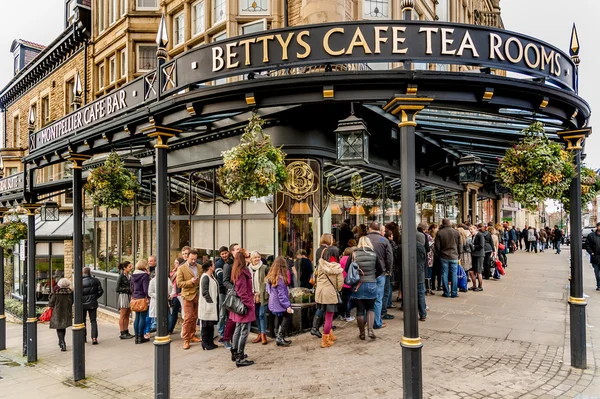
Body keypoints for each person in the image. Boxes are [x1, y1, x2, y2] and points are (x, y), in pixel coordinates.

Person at [230, 250, 256, 367]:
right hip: (244, 305)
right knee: (244, 331)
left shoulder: (237, 271)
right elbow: (242, 292)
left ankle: (235, 352)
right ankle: (239, 356)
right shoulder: (241, 272)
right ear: (243, 259)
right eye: (247, 257)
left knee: (238, 329)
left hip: (240, 305)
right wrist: (249, 304)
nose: (249, 258)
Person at [351, 236, 381, 339]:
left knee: (360, 310)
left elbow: (347, 268)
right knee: (370, 308)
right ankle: (371, 331)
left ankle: (362, 333)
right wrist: (373, 276)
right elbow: (380, 269)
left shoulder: (354, 254)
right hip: (372, 284)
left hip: (358, 285)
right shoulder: (374, 254)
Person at [314, 247, 344, 347]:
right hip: (330, 294)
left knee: (324, 314)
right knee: (329, 317)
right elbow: (340, 284)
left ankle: (330, 335)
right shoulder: (337, 267)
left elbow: (316, 277)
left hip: (320, 293)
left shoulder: (321, 264)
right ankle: (325, 340)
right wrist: (337, 290)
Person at [366, 221, 394, 329]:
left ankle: (365, 320)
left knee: (366, 298)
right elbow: (390, 258)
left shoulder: (364, 240)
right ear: (379, 230)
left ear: (370, 229)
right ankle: (377, 322)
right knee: (378, 299)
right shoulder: (384, 240)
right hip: (380, 273)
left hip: (366, 273)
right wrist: (388, 270)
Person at [310, 234, 336, 339]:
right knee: (326, 306)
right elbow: (330, 267)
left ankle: (317, 327)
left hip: (320, 280)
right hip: (326, 280)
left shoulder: (318, 250)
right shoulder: (327, 251)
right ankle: (317, 327)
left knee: (321, 305)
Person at [176, 249, 201, 350]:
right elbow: (179, 283)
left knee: (195, 316)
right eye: (192, 259)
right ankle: (186, 339)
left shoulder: (199, 267)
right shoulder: (181, 268)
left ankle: (192, 335)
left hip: (197, 294)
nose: (194, 261)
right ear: (188, 257)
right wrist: (190, 282)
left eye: (195, 259)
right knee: (188, 317)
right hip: (187, 295)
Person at [265, 256, 294, 347]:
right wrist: (288, 306)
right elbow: (282, 296)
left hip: (273, 302)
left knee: (278, 317)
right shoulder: (280, 279)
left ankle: (278, 336)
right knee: (288, 316)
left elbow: (268, 290)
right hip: (279, 302)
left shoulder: (271, 276)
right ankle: (280, 337)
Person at [434, 218, 462, 298]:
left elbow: (437, 246)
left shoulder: (440, 233)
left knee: (444, 274)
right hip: (454, 256)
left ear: (443, 224)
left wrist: (440, 253)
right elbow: (460, 245)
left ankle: (446, 292)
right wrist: (459, 254)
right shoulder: (456, 232)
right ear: (450, 223)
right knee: (454, 274)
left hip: (444, 256)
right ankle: (454, 292)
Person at [222, 243, 241, 349]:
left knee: (237, 318)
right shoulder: (227, 265)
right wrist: (235, 290)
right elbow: (225, 281)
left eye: (239, 249)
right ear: (232, 252)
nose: (239, 250)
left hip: (241, 293)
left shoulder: (240, 262)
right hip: (233, 295)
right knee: (232, 319)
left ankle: (235, 339)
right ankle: (226, 339)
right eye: (237, 249)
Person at [148, 266, 175, 338]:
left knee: (168, 317)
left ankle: (167, 332)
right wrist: (159, 296)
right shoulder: (153, 281)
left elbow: (172, 288)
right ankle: (160, 333)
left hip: (166, 302)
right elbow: (150, 293)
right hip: (157, 303)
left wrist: (171, 295)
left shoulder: (167, 279)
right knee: (158, 319)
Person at [249, 251, 269, 345]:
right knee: (256, 315)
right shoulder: (248, 269)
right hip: (252, 295)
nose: (257, 259)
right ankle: (259, 334)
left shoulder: (264, 268)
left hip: (262, 295)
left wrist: (260, 293)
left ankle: (264, 335)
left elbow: (269, 281)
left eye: (258, 257)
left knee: (262, 314)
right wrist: (253, 294)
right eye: (255, 257)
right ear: (251, 259)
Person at [48, 278, 73, 352]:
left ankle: (62, 343)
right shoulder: (71, 293)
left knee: (59, 328)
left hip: (57, 312)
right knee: (63, 326)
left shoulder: (56, 293)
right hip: (66, 311)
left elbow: (51, 303)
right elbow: (72, 302)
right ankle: (61, 341)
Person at [199, 260, 219, 350]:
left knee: (210, 326)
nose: (214, 266)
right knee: (206, 326)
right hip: (207, 306)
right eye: (213, 265)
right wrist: (210, 302)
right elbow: (204, 292)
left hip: (211, 305)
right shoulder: (205, 277)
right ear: (210, 267)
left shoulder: (211, 277)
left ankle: (210, 342)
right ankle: (205, 342)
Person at [131, 259, 151, 344]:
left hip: (135, 298)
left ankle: (136, 337)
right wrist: (148, 298)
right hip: (142, 298)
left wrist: (134, 296)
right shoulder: (145, 276)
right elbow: (146, 289)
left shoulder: (133, 275)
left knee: (137, 318)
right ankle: (141, 337)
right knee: (142, 318)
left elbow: (131, 288)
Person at [82, 267, 104, 345]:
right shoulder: (95, 280)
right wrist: (95, 297)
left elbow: (77, 293)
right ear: (89, 272)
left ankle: (83, 337)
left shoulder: (79, 281)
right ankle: (94, 338)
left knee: (83, 321)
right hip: (92, 303)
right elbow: (101, 291)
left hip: (82, 304)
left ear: (83, 272)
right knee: (93, 320)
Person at [116, 261, 134, 339]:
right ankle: (122, 332)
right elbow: (117, 288)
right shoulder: (121, 276)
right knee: (123, 315)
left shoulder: (129, 276)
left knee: (127, 314)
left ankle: (126, 331)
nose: (131, 268)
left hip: (129, 296)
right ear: (125, 268)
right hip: (123, 296)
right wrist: (128, 289)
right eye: (129, 266)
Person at [168, 257, 185, 334]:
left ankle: (170, 329)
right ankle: (170, 329)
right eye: (175, 262)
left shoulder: (180, 271)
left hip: (178, 293)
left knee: (178, 312)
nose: (175, 264)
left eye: (177, 263)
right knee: (174, 312)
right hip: (174, 294)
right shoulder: (173, 271)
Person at [339, 246, 355, 322]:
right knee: (348, 300)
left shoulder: (341, 259)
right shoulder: (350, 260)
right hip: (349, 282)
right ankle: (348, 315)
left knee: (343, 299)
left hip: (342, 282)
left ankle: (342, 315)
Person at [416, 227, 429, 321]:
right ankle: (422, 313)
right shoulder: (420, 247)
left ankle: (409, 313)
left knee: (408, 293)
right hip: (419, 272)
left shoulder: (404, 245)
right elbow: (424, 259)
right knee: (420, 292)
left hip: (407, 273)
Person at [469, 225, 485, 291]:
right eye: (469, 229)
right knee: (471, 271)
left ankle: (480, 286)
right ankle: (474, 285)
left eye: (471, 229)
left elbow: (481, 245)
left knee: (478, 271)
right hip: (474, 255)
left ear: (475, 229)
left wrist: (473, 246)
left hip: (479, 255)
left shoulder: (480, 235)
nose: (470, 231)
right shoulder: (473, 236)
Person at [585, 222, 600, 291]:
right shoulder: (591, 235)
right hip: (595, 257)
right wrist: (591, 253)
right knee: (597, 273)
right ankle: (598, 285)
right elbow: (587, 245)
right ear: (597, 227)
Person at [457, 227, 472, 292]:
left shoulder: (458, 239)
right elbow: (471, 248)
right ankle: (465, 286)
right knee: (466, 271)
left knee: (460, 271)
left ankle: (460, 286)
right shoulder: (468, 239)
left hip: (460, 256)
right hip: (467, 256)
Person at [429, 224, 441, 291]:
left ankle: (433, 286)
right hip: (437, 255)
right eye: (436, 228)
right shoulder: (437, 237)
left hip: (432, 256)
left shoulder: (430, 236)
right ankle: (438, 286)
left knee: (433, 272)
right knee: (439, 272)